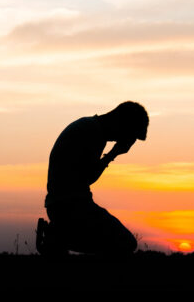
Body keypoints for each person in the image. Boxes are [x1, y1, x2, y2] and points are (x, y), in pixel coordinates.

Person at [36, 102, 148, 256]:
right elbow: (88, 177)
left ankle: (58, 236)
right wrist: (114, 153)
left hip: (63, 204)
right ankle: (59, 236)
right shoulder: (93, 132)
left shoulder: (89, 127)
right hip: (71, 207)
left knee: (113, 243)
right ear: (122, 123)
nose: (126, 140)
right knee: (125, 243)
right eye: (129, 134)